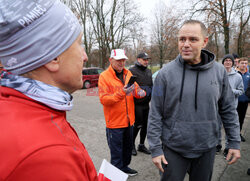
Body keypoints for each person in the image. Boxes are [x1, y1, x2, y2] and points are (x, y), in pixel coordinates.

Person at [0, 0, 97, 180]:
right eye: (79, 43)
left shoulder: (19, 106)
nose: (85, 56)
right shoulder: (47, 156)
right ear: (53, 57)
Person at [147, 20, 241, 181]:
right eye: (182, 39)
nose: (185, 44)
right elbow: (155, 113)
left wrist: (234, 142)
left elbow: (228, 109)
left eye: (193, 39)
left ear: (204, 41)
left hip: (207, 148)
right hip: (173, 149)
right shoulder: (164, 75)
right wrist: (155, 149)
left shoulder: (219, 72)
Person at [98, 49, 146, 177]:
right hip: (114, 124)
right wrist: (121, 93)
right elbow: (104, 99)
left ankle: (124, 168)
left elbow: (135, 89)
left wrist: (140, 92)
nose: (122, 63)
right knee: (116, 152)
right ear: (111, 60)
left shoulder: (128, 73)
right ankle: (116, 175)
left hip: (129, 121)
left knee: (127, 148)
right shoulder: (104, 77)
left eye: (123, 60)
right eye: (118, 60)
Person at [216, 54, 244, 155]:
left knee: (229, 127)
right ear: (223, 62)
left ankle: (228, 147)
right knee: (217, 127)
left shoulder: (238, 76)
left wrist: (230, 91)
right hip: (218, 106)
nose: (227, 62)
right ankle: (217, 145)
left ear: (233, 63)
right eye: (226, 60)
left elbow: (241, 91)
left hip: (231, 106)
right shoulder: (218, 74)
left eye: (230, 61)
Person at [129, 52, 153, 156]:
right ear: (138, 59)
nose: (146, 61)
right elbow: (128, 87)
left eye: (147, 59)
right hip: (136, 104)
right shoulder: (131, 71)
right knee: (137, 125)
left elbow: (151, 85)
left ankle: (141, 145)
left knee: (145, 126)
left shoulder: (149, 71)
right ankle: (131, 145)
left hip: (146, 104)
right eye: (144, 59)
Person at [237, 57, 250, 142]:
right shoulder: (235, 73)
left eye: (246, 63)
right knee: (233, 119)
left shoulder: (249, 75)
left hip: (244, 101)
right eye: (242, 63)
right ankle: (231, 135)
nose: (244, 65)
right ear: (238, 64)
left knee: (241, 119)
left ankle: (238, 134)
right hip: (234, 101)